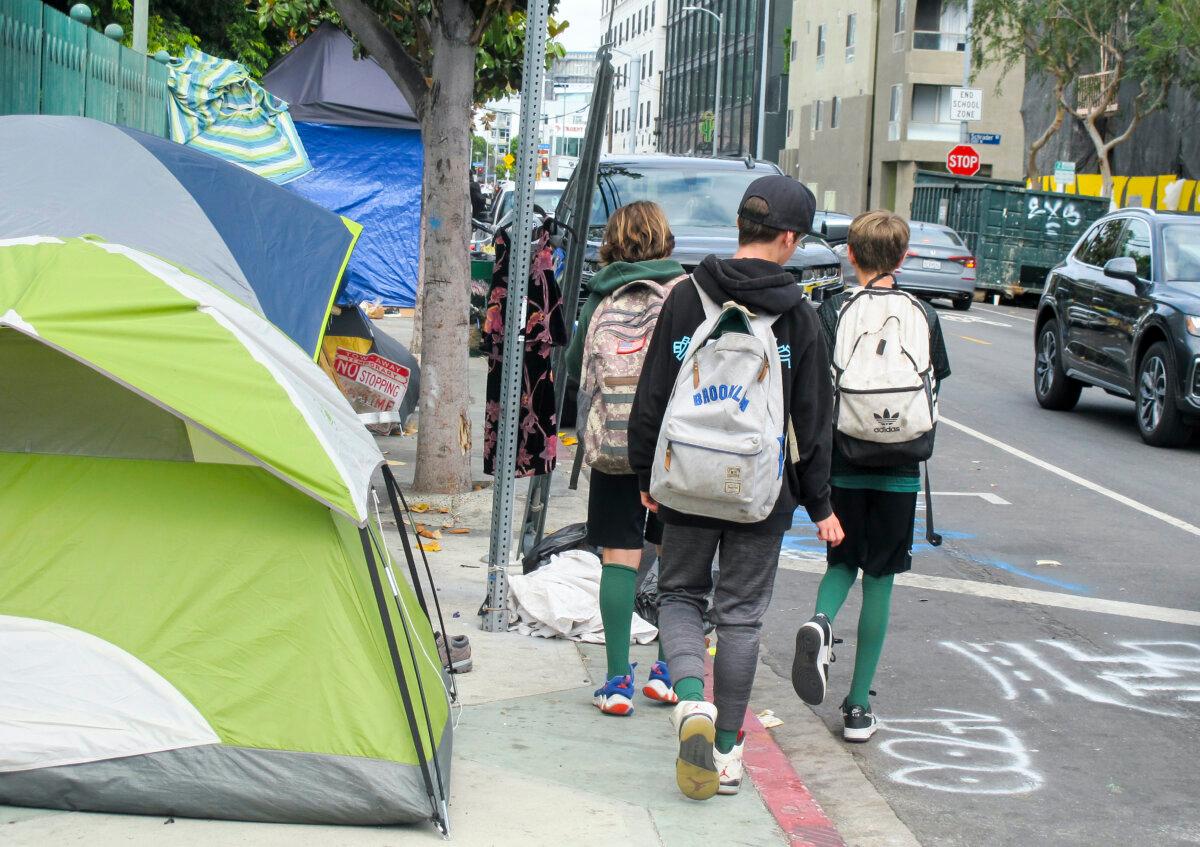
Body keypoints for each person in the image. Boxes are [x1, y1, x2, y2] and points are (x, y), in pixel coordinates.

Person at [628, 176, 844, 800]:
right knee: (742, 617)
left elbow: (654, 393)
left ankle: (689, 699)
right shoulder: (799, 315)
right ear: (788, 238)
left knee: (679, 595)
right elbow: (812, 422)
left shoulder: (686, 296)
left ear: (741, 226)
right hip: (761, 490)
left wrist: (649, 474)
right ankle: (725, 750)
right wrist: (820, 502)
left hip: (686, 480)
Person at [791, 210, 951, 743]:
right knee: (880, 579)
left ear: (850, 255)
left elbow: (815, 391)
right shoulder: (924, 314)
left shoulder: (833, 309)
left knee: (842, 561)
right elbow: (934, 388)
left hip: (845, 460)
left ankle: (820, 622)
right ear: (903, 257)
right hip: (901, 467)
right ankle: (858, 708)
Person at [565, 201, 687, 716]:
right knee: (676, 560)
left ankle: (617, 683)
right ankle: (666, 672)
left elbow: (576, 368)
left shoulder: (601, 296)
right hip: (672, 448)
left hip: (614, 444)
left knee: (619, 556)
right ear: (665, 239)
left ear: (612, 242)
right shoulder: (687, 294)